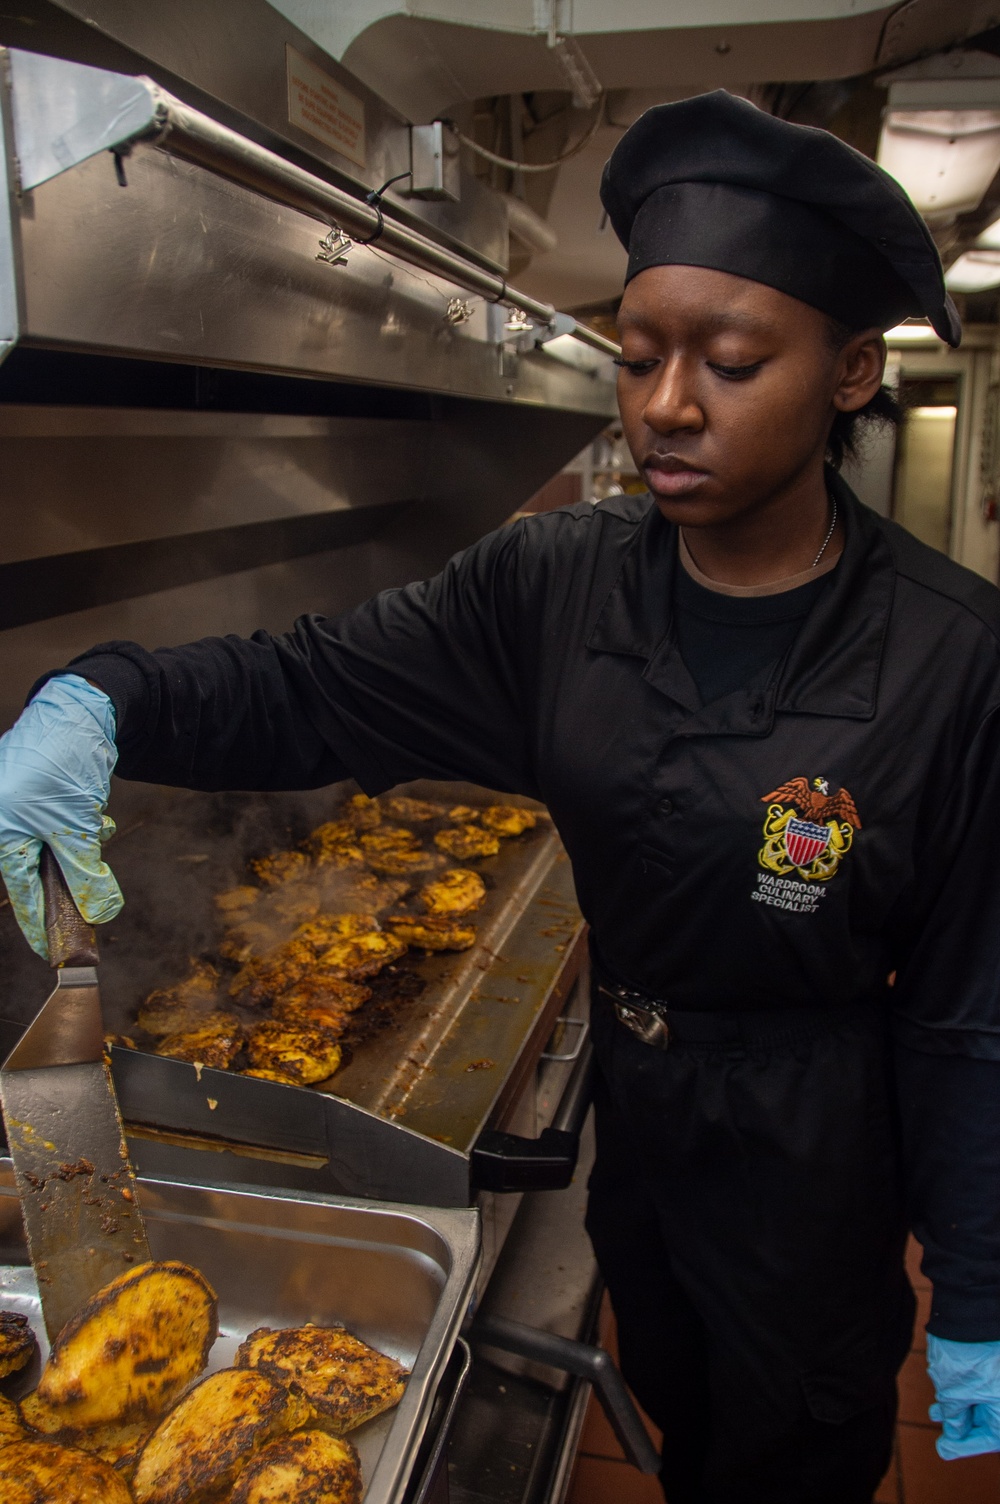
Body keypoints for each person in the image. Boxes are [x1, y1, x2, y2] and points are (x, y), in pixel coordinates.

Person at [1, 90, 999, 1502]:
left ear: (846, 374)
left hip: (815, 1147)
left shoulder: (955, 661)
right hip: (641, 1114)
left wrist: (981, 1284)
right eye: (638, 353)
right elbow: (310, 686)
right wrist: (103, 695)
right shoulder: (551, 587)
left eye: (727, 360)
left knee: (796, 1449)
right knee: (677, 1394)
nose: (664, 403)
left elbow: (975, 1015)